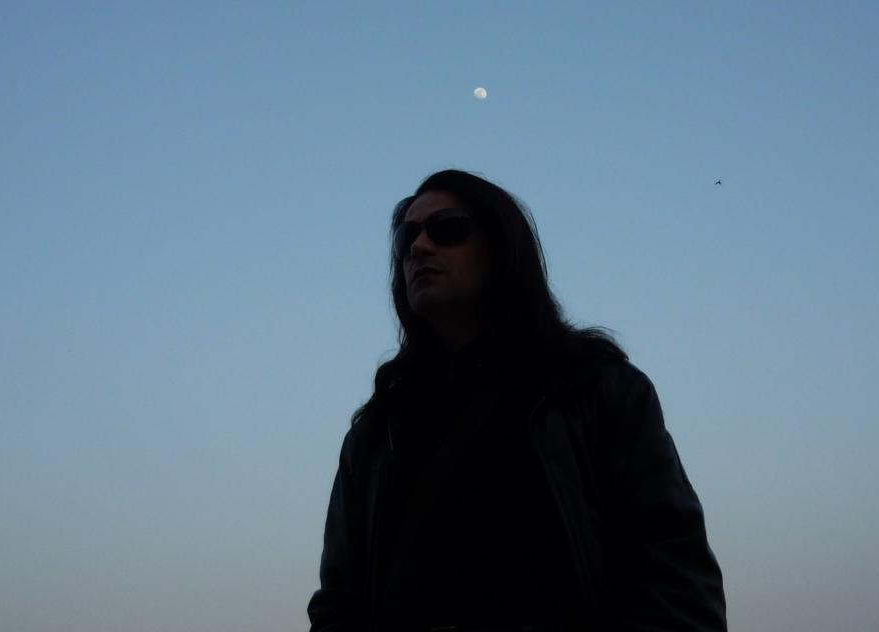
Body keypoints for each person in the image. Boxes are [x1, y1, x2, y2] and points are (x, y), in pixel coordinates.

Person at [308, 169, 727, 632]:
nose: (419, 247)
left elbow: (677, 582)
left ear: (502, 246)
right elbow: (339, 602)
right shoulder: (377, 432)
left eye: (447, 228)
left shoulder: (594, 391)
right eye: (407, 237)